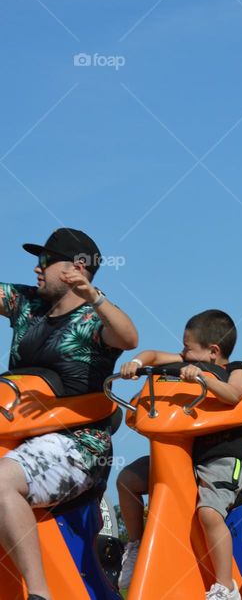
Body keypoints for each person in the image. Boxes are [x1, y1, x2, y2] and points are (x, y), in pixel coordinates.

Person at [0, 228, 138, 600]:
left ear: (76, 268)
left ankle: (39, 593)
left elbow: (129, 338)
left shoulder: (95, 319)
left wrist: (94, 296)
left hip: (76, 446)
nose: (37, 268)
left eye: (45, 260)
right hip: (17, 436)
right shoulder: (26, 303)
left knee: (0, 482)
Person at [115, 309, 242, 600]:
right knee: (127, 480)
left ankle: (226, 586)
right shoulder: (186, 363)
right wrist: (136, 363)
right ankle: (137, 544)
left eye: (188, 348)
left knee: (208, 513)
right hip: (183, 456)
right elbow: (153, 355)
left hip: (222, 459)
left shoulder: (237, 369)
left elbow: (234, 394)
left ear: (213, 351)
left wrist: (203, 379)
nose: (183, 353)